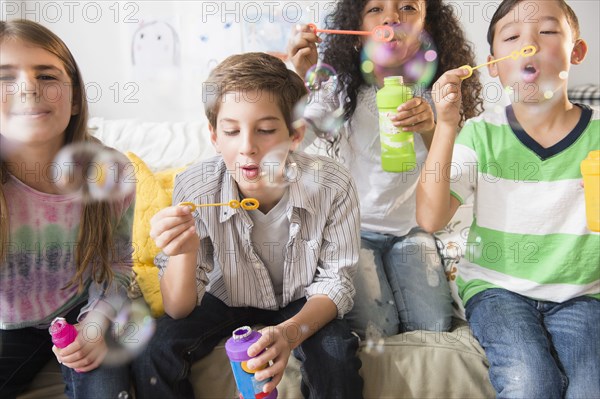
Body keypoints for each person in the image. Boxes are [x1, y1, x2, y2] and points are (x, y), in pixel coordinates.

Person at [133, 52, 363, 399]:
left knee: (335, 356)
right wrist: (183, 253)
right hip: (226, 297)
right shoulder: (194, 187)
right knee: (156, 349)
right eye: (231, 131)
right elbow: (179, 309)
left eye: (266, 130)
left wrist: (288, 334)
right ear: (213, 135)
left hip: (303, 297)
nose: (247, 148)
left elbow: (337, 282)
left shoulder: (333, 184)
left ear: (295, 134)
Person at [417, 0, 600, 397]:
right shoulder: (479, 135)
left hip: (582, 294)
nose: (528, 45)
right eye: (513, 37)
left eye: (548, 32)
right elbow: (431, 217)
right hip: (496, 288)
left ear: (577, 51)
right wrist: (447, 126)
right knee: (531, 382)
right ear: (494, 64)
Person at [287, 0, 483, 338]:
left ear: (427, 27)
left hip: (412, 230)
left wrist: (430, 126)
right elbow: (291, 141)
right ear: (357, 34)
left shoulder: (439, 94)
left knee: (433, 326)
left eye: (407, 7)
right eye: (376, 9)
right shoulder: (340, 91)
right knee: (376, 329)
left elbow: (454, 168)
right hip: (354, 232)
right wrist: (299, 79)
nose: (392, 16)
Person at [0, 20, 135, 399]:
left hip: (83, 308)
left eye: (46, 75)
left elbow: (119, 266)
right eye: (5, 77)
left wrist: (97, 321)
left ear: (75, 99)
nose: (27, 87)